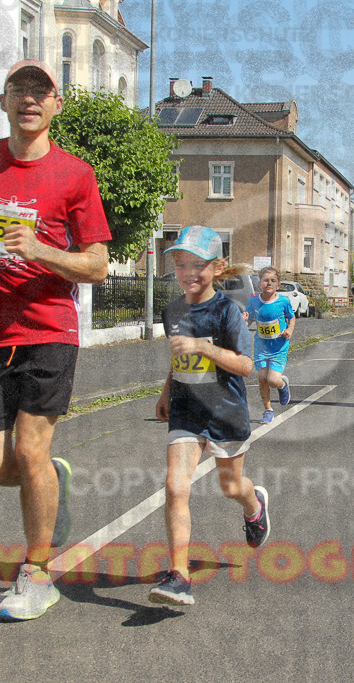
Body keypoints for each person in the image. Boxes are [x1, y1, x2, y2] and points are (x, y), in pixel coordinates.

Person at [0, 59, 111, 621]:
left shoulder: (75, 175)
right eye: (20, 90)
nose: (30, 99)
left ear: (57, 105)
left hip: (48, 328)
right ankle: (48, 481)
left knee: (31, 448)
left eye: (42, 90)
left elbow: (99, 265)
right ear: (5, 101)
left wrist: (42, 251)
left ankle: (37, 572)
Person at [150, 225, 269, 605]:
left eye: (197, 265)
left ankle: (254, 506)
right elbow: (177, 354)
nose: (187, 273)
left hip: (225, 413)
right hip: (185, 411)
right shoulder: (173, 310)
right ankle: (179, 574)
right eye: (181, 264)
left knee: (231, 487)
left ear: (217, 268)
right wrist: (167, 389)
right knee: (175, 487)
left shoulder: (228, 312)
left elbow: (247, 366)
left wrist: (204, 347)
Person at [246, 266, 295, 424]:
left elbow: (291, 318)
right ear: (259, 284)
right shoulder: (253, 301)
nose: (269, 283)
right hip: (261, 347)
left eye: (273, 280)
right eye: (265, 280)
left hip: (279, 347)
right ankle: (268, 410)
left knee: (273, 380)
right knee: (262, 379)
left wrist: (290, 329)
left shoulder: (283, 301)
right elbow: (249, 320)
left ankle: (282, 385)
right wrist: (243, 320)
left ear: (278, 285)